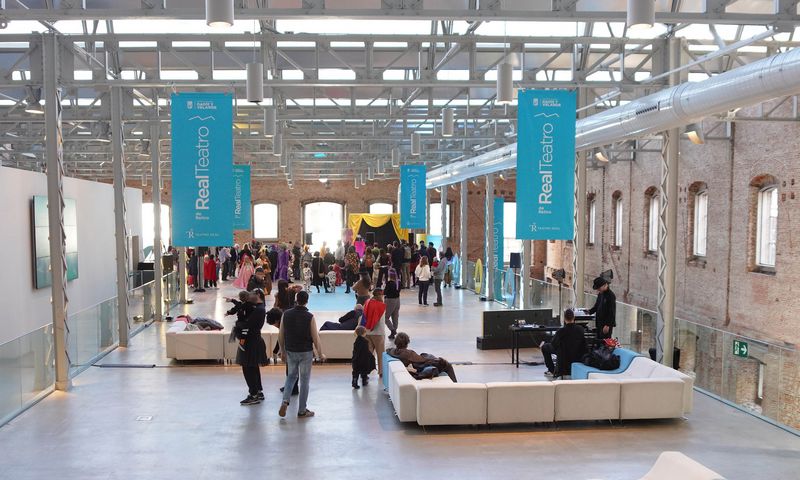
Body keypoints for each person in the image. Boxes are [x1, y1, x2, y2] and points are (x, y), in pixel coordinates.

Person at [278, 291, 325, 418]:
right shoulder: (309, 316)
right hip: (305, 352)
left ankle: (285, 401)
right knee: (304, 381)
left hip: (291, 350)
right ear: (307, 301)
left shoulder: (286, 314)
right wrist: (320, 353)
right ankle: (302, 410)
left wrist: (282, 350)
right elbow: (315, 337)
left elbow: (281, 334)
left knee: (290, 377)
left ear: (296, 300)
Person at [235, 290, 268, 405]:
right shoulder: (259, 307)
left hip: (250, 342)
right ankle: (258, 391)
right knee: (253, 367)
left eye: (252, 294)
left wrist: (239, 326)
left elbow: (247, 326)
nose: (249, 296)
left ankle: (253, 394)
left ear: (258, 295)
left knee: (248, 367)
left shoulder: (259, 310)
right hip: (254, 340)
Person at [386, 332, 458, 382]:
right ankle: (455, 386)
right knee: (447, 365)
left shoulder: (393, 351)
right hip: (422, 367)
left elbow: (388, 350)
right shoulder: (408, 353)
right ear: (407, 343)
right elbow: (422, 360)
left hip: (419, 365)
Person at [541, 309, 588, 379]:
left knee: (544, 347)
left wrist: (545, 343)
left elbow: (553, 344)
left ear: (564, 318)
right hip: (577, 353)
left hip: (563, 354)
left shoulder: (561, 331)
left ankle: (552, 370)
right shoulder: (580, 329)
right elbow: (584, 345)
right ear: (574, 317)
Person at [363, 289, 387, 377]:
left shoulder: (367, 302)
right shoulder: (381, 305)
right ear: (380, 295)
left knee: (368, 354)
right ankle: (381, 372)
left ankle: (365, 371)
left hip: (368, 332)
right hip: (378, 333)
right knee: (381, 354)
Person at [383, 271, 401, 340]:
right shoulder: (398, 282)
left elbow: (385, 292)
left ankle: (392, 330)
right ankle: (394, 330)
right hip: (397, 300)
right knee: (395, 316)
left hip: (390, 300)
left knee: (385, 317)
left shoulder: (389, 283)